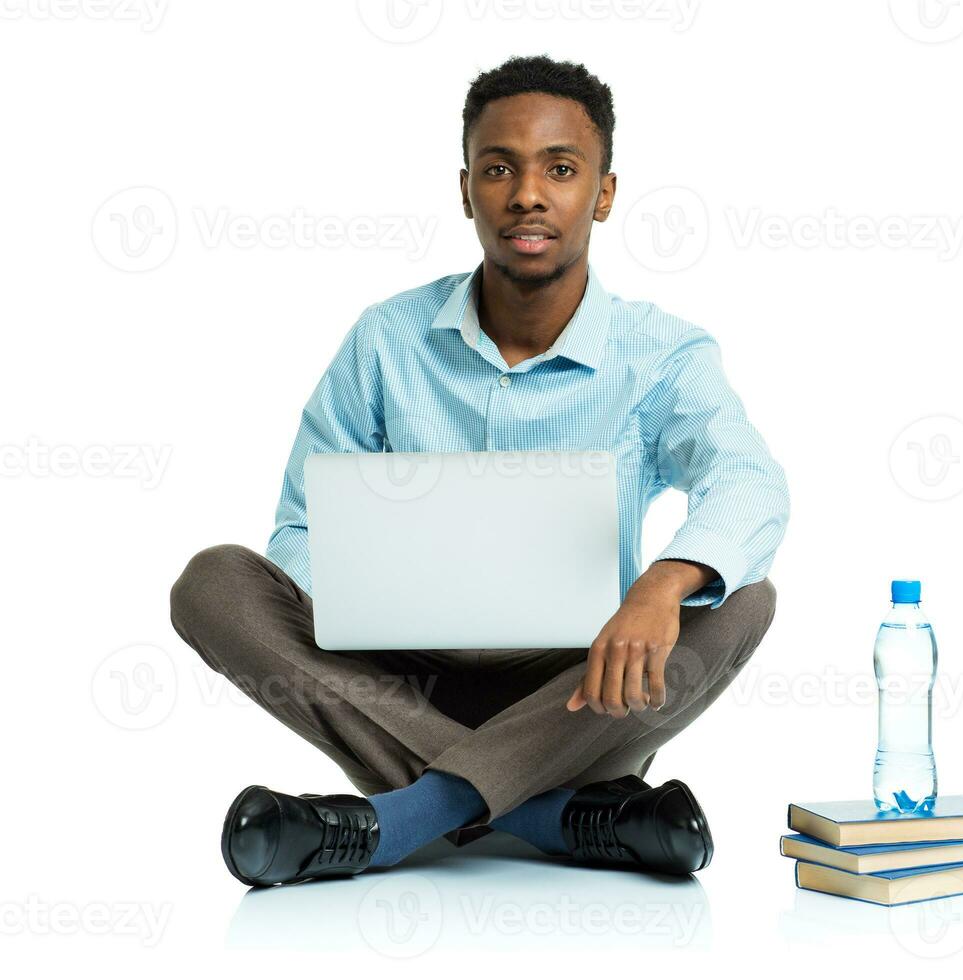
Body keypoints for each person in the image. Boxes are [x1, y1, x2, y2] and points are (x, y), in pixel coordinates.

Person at [169, 54, 789, 888]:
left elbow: (748, 478)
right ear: (465, 190)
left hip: (580, 687)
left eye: (560, 169)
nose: (527, 194)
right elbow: (299, 525)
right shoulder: (387, 338)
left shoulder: (663, 352)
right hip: (397, 682)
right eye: (499, 168)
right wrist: (359, 609)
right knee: (213, 584)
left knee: (741, 596)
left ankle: (400, 821)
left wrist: (662, 583)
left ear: (603, 194)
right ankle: (561, 817)